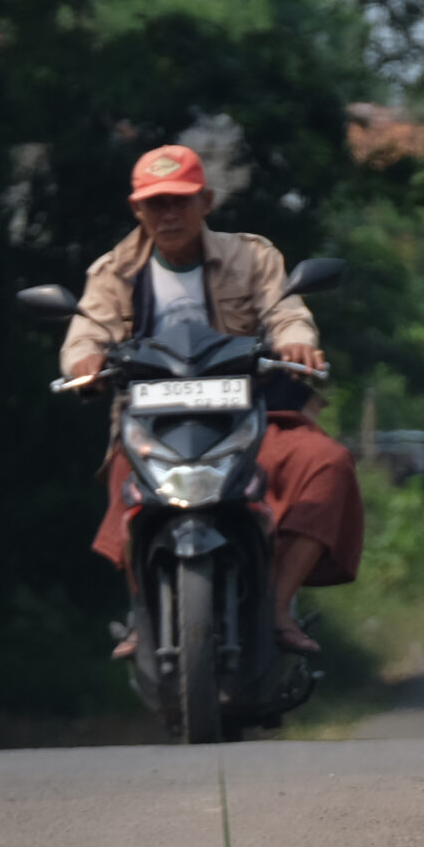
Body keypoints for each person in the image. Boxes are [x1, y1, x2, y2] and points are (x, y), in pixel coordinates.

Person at [61, 145, 363, 656]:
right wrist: (84, 362)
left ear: (206, 201)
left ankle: (278, 607)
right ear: (137, 210)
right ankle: (144, 615)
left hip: (253, 415)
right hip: (152, 426)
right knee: (124, 479)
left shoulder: (252, 256)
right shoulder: (113, 272)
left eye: (180, 201)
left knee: (326, 463)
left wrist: (297, 344)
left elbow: (286, 311)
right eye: (156, 203)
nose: (169, 214)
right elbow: (86, 331)